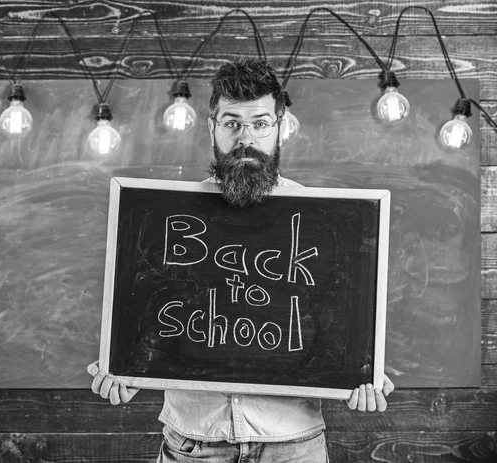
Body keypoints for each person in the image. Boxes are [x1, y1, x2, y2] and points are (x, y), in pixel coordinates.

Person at [88, 57, 395, 463]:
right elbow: (146, 320)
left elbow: (339, 330)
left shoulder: (327, 222)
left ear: (279, 127)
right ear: (212, 127)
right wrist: (122, 365)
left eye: (260, 123)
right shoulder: (164, 218)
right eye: (232, 122)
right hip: (193, 445)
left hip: (294, 446)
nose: (245, 137)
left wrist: (362, 373)